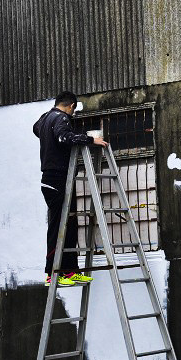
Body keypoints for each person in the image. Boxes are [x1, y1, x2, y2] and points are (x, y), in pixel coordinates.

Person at [33, 91, 108, 288]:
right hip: (56, 177)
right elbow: (64, 138)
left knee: (71, 222)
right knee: (58, 226)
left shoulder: (46, 117)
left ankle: (70, 270)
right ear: (72, 106)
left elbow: (35, 128)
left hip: (59, 178)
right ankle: (52, 274)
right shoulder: (62, 118)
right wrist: (90, 140)